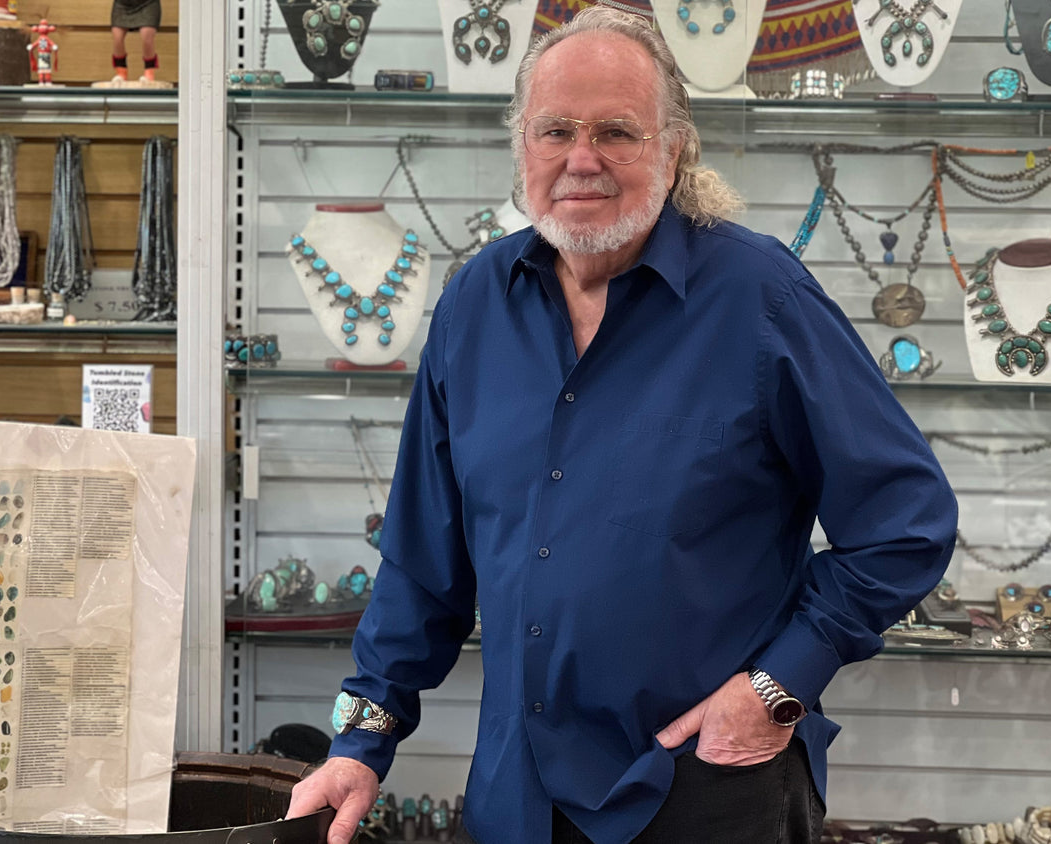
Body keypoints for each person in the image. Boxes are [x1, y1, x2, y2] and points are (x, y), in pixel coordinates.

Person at [285, 7, 958, 844]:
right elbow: (423, 562)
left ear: (672, 150)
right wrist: (361, 741)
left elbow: (907, 523)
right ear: (520, 146)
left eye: (617, 132)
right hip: (515, 800)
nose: (582, 159)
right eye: (555, 130)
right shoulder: (471, 307)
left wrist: (778, 686)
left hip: (705, 791)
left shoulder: (759, 298)